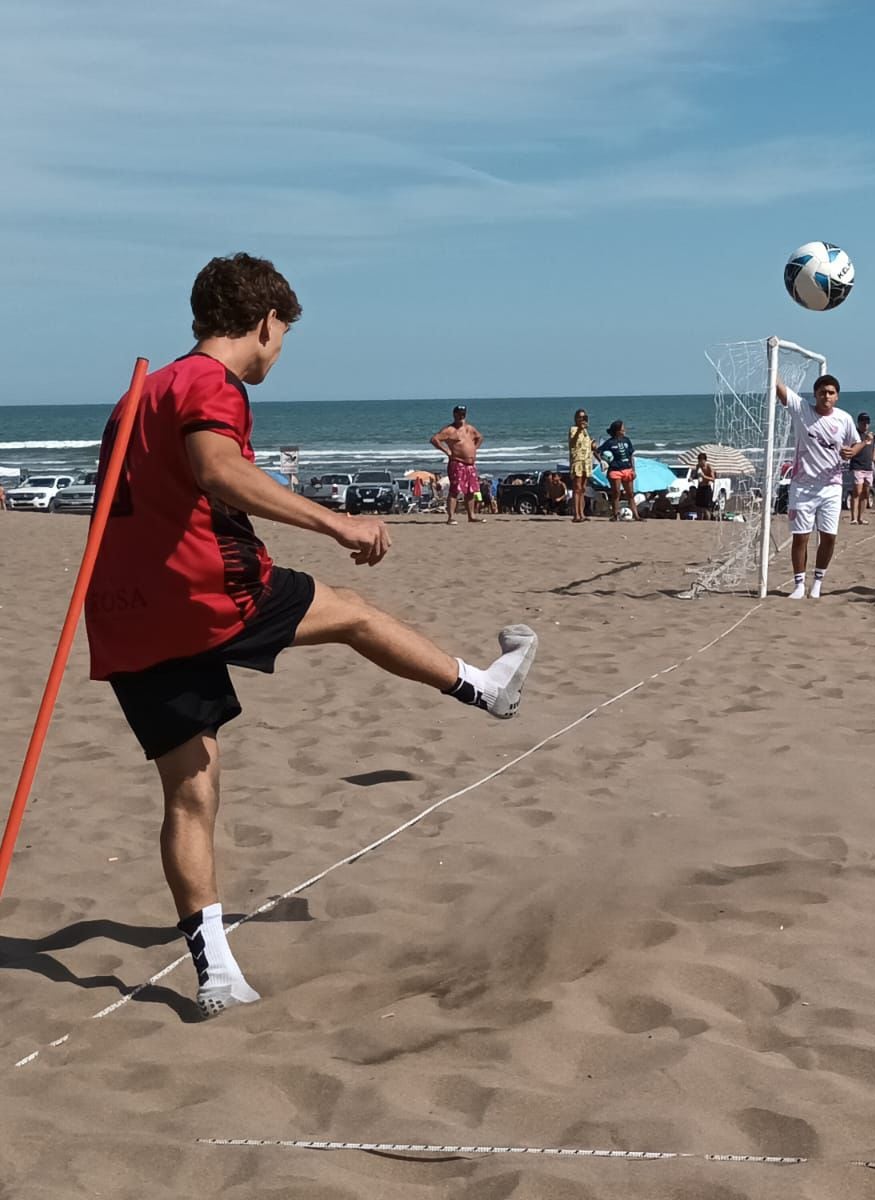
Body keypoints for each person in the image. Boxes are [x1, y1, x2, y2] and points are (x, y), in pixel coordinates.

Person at [83, 253, 539, 1019]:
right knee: (355, 610)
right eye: (283, 337)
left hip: (124, 610)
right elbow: (218, 469)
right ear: (265, 323)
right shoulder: (207, 384)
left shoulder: (141, 392)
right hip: (204, 592)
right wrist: (337, 521)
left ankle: (216, 973)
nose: (279, 352)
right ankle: (485, 687)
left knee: (190, 791)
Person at [774, 374, 869, 599]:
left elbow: (856, 443)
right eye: (822, 392)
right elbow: (780, 389)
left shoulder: (844, 419)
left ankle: (817, 582)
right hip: (802, 486)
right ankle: (798, 585)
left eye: (831, 392)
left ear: (836, 396)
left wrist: (852, 451)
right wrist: (772, 361)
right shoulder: (802, 410)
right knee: (801, 537)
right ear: (815, 394)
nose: (826, 396)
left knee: (828, 537)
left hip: (831, 486)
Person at [430, 405, 484, 525]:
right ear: (454, 414)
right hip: (457, 463)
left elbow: (480, 437)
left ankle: (471, 516)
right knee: (455, 490)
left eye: (463, 413)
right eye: (459, 413)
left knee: (471, 491)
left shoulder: (469, 428)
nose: (461, 416)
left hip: (470, 464)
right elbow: (434, 439)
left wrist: (474, 449)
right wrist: (447, 451)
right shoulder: (450, 430)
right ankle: (451, 517)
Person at [595, 420, 639, 522]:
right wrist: (602, 461)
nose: (625, 430)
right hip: (615, 470)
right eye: (623, 428)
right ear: (617, 430)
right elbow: (597, 451)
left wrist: (633, 469)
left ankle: (636, 515)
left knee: (630, 494)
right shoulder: (610, 442)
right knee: (616, 493)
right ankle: (615, 515)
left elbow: (631, 455)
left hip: (627, 469)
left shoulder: (627, 440)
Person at [846, 412, 875, 525]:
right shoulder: (855, 435)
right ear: (858, 422)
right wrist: (865, 441)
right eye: (863, 422)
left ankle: (861, 517)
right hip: (857, 466)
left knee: (865, 493)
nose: (865, 424)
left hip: (868, 467)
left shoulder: (871, 436)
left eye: (867, 422)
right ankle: (853, 517)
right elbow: (851, 449)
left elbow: (874, 448)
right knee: (857, 491)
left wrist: (873, 459)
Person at [567, 409, 594, 523]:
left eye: (584, 417)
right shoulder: (574, 429)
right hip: (577, 460)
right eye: (580, 417)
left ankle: (582, 513)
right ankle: (576, 514)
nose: (582, 419)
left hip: (586, 461)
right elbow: (572, 442)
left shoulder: (586, 432)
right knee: (577, 488)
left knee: (583, 488)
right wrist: (579, 429)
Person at [693, 451, 717, 520]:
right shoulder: (698, 466)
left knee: (706, 508)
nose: (700, 462)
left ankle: (707, 521)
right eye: (699, 461)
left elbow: (713, 479)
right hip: (700, 487)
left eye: (701, 461)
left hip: (707, 488)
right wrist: (692, 477)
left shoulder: (708, 467)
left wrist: (704, 477)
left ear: (705, 460)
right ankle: (699, 520)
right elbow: (696, 475)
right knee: (698, 506)